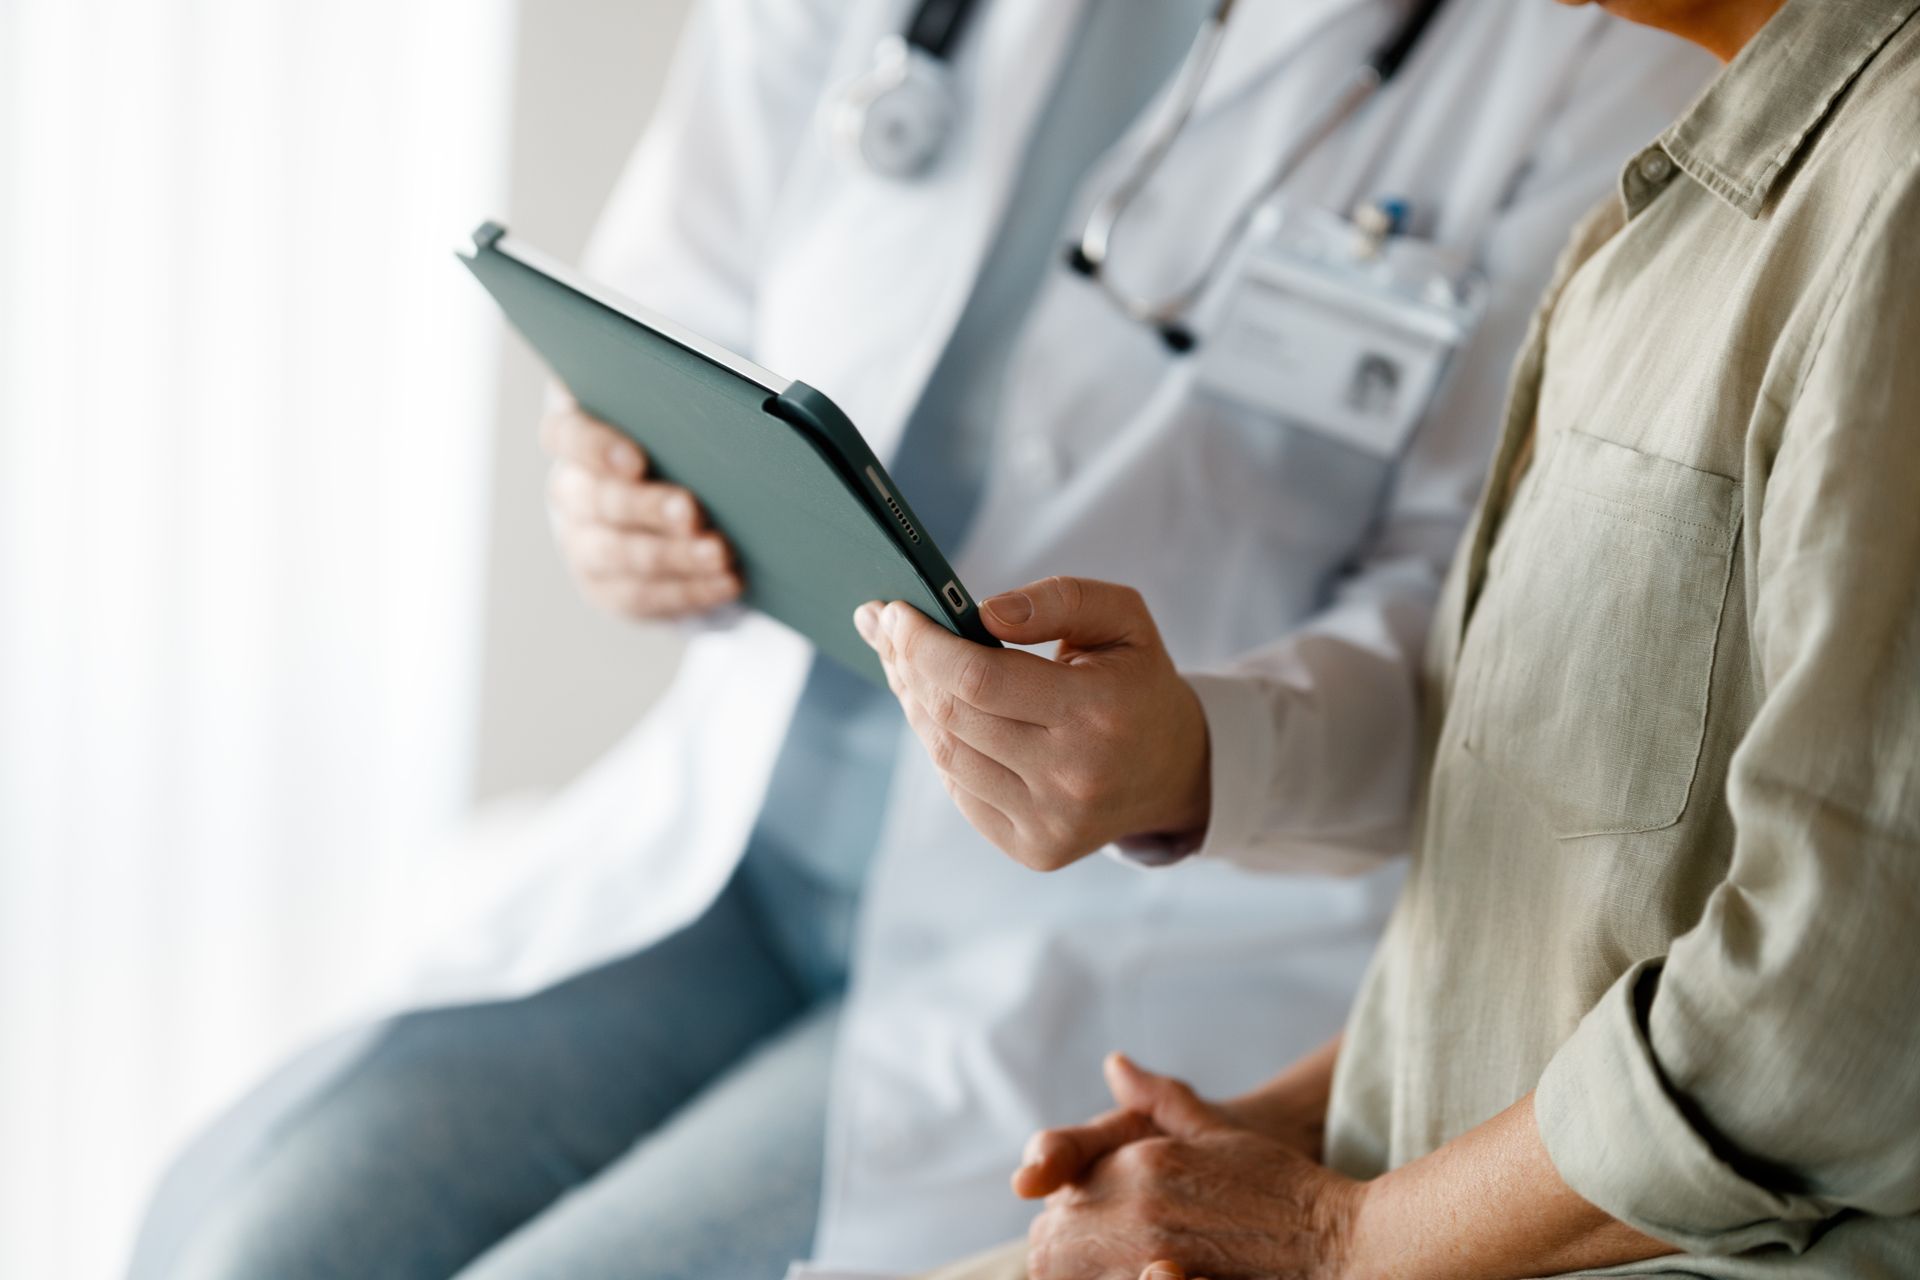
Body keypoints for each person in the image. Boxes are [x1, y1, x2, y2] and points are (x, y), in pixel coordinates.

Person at [129, 2, 1711, 1278]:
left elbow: (1492, 626)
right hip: (741, 849)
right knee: (255, 1250)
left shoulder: (1593, 49)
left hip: (1123, 928)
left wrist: (1195, 755)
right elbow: (671, 305)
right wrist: (609, 490)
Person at [866, 0, 1920, 1275]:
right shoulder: (1700, 187)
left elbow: (1834, 1021)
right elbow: (1596, 866)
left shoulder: (1891, 199)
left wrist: (1336, 1233)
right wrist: (1301, 1121)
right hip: (1417, 1165)